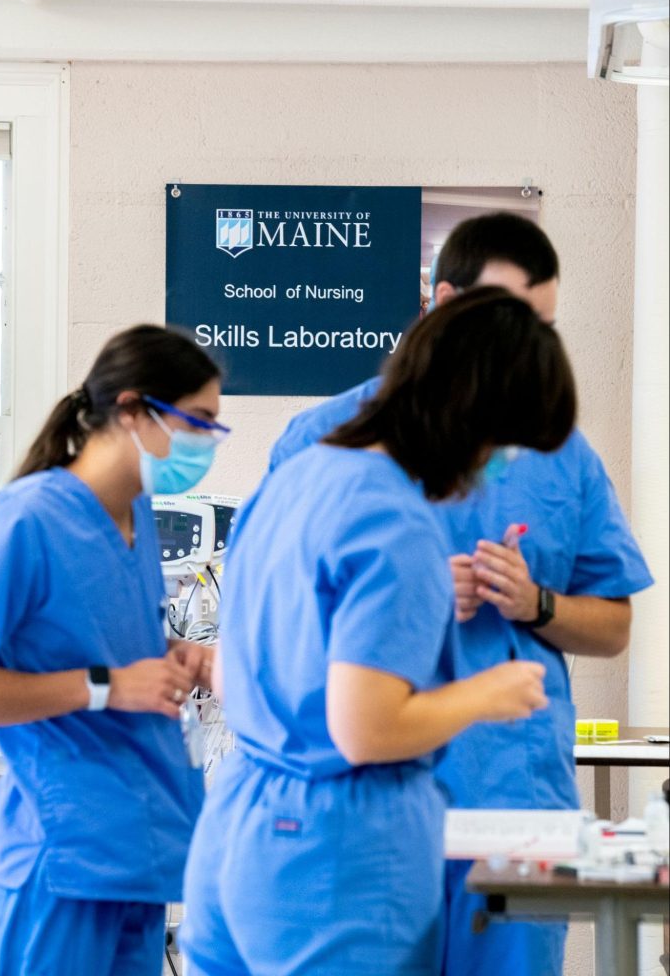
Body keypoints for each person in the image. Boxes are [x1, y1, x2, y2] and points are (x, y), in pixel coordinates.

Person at [266, 212, 653, 976]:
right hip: (360, 799)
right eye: (510, 322)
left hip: (507, 792)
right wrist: (403, 594)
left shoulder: (557, 449)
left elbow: (613, 627)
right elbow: (272, 624)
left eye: (543, 327)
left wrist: (536, 604)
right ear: (443, 303)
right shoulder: (326, 443)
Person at [180, 288, 577, 976]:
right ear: (471, 408)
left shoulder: (295, 479)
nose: (502, 464)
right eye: (506, 441)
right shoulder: (392, 520)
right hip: (334, 862)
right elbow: (364, 728)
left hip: (238, 835)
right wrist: (489, 693)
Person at [0, 324, 224, 976]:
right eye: (197, 421)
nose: (206, 441)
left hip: (137, 853)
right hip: (62, 859)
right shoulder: (25, 520)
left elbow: (107, 636)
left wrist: (180, 654)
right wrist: (107, 686)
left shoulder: (137, 518)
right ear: (131, 410)